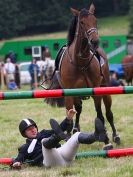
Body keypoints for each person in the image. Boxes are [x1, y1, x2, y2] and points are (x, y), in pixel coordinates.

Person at [12, 109, 107, 169]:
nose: (33, 130)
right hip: (50, 163)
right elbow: (18, 158)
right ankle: (56, 137)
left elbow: (60, 128)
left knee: (76, 135)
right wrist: (16, 163)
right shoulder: (25, 147)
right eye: (29, 130)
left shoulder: (44, 133)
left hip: (64, 156)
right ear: (24, 134)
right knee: (45, 142)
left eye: (33, 127)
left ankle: (95, 136)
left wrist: (68, 119)